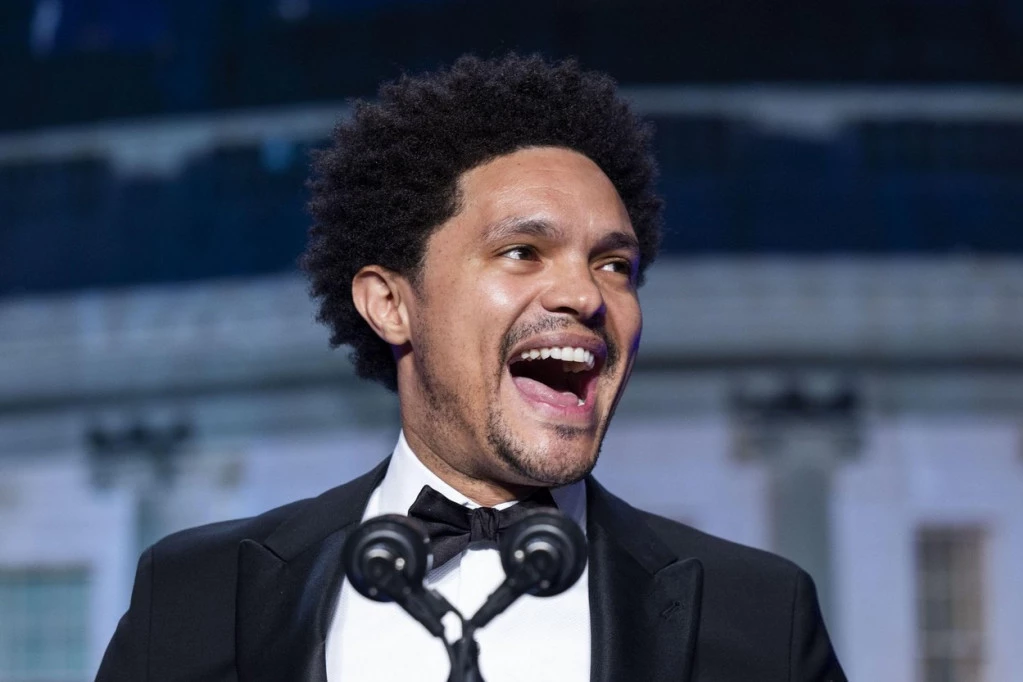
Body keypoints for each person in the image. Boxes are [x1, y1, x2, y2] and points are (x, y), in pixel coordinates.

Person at [96, 54, 846, 682]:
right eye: (522, 252)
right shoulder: (199, 595)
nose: (586, 295)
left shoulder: (757, 616)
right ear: (390, 305)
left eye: (614, 264)